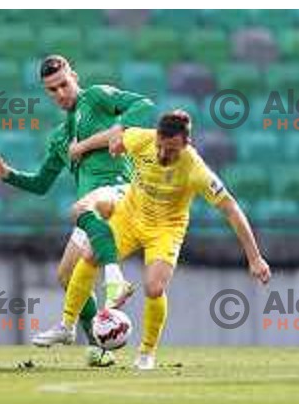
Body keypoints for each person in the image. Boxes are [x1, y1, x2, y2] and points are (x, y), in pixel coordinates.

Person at [34, 110, 271, 369]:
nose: (162, 155)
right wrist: (81, 147)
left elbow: (231, 209)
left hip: (165, 230)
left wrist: (255, 257)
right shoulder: (142, 139)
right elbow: (116, 133)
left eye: (170, 150)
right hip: (130, 216)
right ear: (156, 136)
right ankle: (67, 325)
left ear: (186, 144)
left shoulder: (196, 169)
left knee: (154, 288)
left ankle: (146, 353)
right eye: (160, 146)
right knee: (91, 254)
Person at [0, 55, 154, 364]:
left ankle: (114, 280)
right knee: (67, 276)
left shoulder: (95, 98)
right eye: (51, 89)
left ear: (75, 77)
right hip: (90, 208)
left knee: (81, 220)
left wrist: (103, 138)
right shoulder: (59, 137)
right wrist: (8, 175)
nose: (60, 93)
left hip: (118, 190)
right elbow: (42, 183)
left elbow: (144, 105)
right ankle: (98, 346)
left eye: (64, 85)